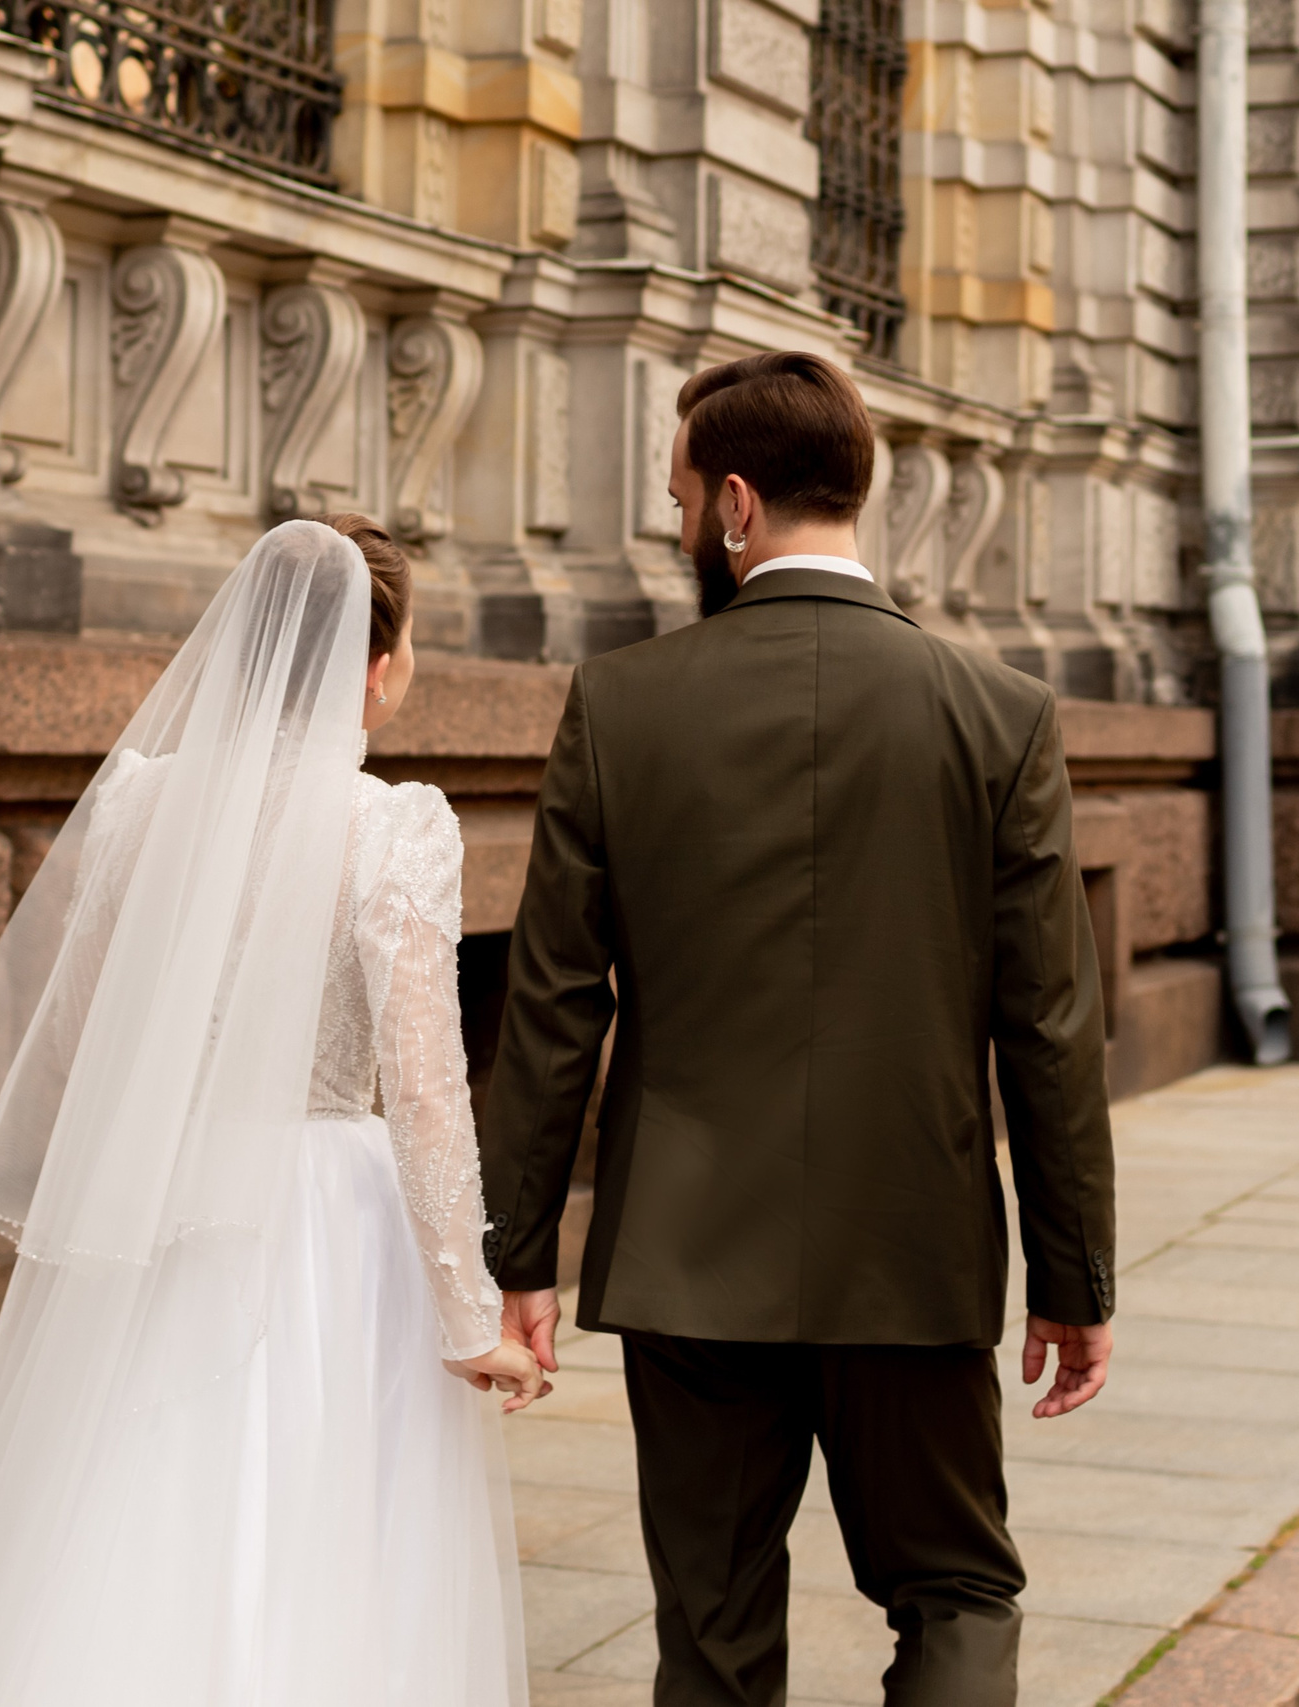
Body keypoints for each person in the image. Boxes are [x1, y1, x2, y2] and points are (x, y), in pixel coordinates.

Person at [0, 516, 542, 1707]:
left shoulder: (141, 803)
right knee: (318, 1516)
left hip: (158, 1191)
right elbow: (429, 1091)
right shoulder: (392, 828)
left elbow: (88, 1031)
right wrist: (466, 1312)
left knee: (126, 1490)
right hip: (327, 1226)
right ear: (376, 668)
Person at [480, 351, 1120, 1707]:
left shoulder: (623, 705)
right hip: (913, 1242)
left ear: (732, 504)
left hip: (687, 1254)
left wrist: (516, 1250)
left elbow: (551, 1005)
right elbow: (1051, 1023)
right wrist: (1075, 1274)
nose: (676, 528)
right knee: (954, 1589)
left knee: (709, 1632)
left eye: (676, 501)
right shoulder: (1000, 717)